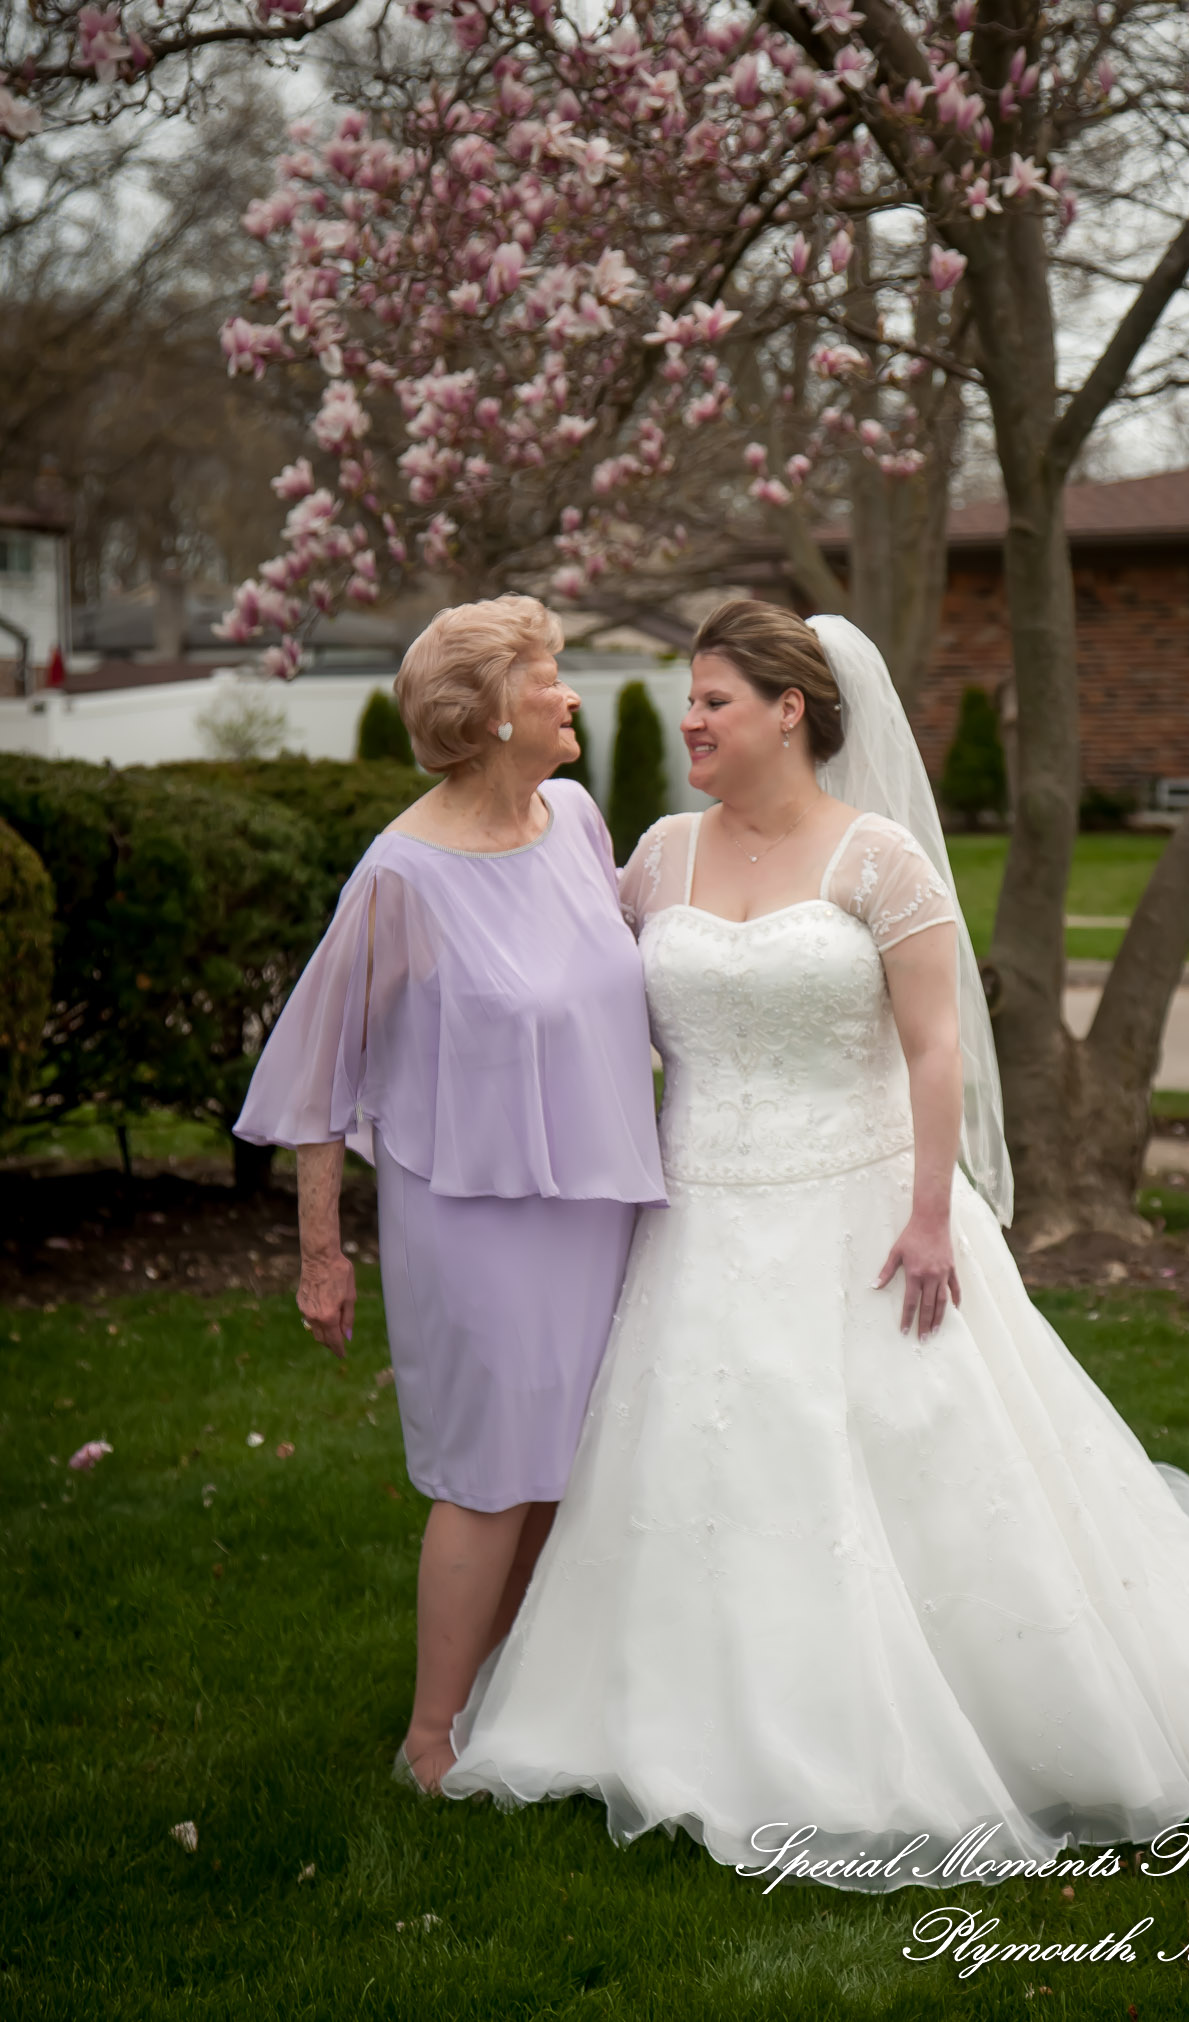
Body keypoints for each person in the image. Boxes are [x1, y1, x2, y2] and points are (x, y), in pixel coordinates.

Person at [441, 601, 1189, 1885]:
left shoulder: (879, 860)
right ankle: (664, 1704)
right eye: (692, 698)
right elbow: (577, 997)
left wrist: (933, 1212)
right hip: (699, 1212)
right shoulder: (658, 857)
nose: (691, 720)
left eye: (715, 698)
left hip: (865, 1209)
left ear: (792, 710)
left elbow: (939, 1045)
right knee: (695, 1459)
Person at [233, 595, 665, 1794]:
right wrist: (323, 1254)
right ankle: (432, 1736)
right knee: (489, 1469)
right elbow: (315, 1071)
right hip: (469, 1213)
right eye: (549, 679)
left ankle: (509, 1703)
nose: (570, 696)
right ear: (482, 718)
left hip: (600, 1204)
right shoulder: (401, 876)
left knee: (566, 1463)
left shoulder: (575, 817)